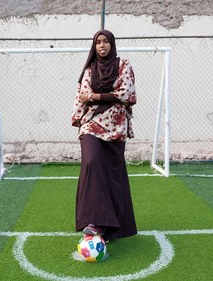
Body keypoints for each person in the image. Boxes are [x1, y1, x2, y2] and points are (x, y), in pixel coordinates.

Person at [71, 29, 137, 242]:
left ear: (112, 44)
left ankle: (109, 227)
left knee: (111, 174)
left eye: (106, 41)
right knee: (91, 162)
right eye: (98, 42)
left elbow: (125, 94)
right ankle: (92, 222)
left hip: (116, 128)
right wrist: (89, 104)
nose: (102, 45)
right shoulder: (90, 69)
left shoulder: (123, 65)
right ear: (94, 46)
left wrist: (95, 96)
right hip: (91, 124)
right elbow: (82, 95)